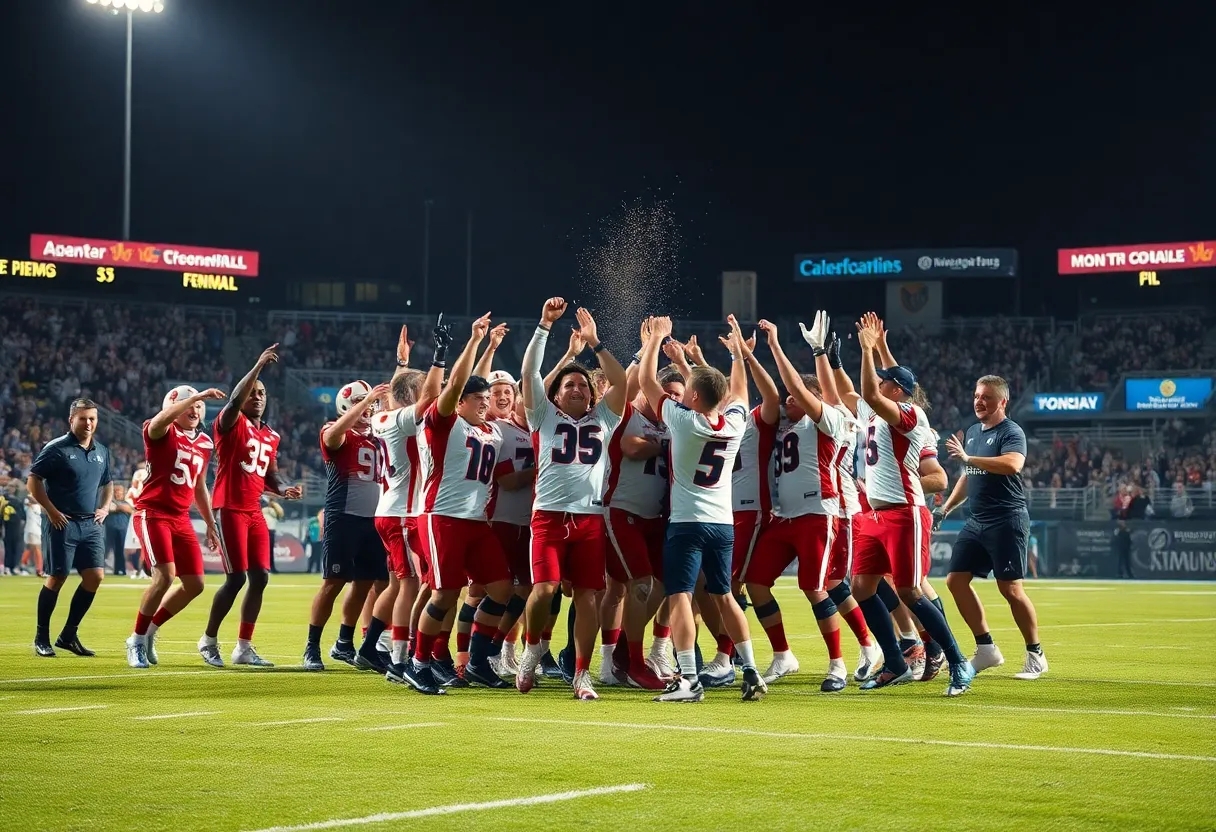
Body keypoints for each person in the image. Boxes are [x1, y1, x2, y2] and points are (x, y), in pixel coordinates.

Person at [844, 313, 974, 696]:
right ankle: (897, 663)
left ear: (897, 392)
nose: (880, 381)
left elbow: (871, 391)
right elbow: (856, 390)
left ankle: (957, 660)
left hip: (904, 512)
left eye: (887, 381)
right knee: (862, 586)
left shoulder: (910, 415)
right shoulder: (878, 408)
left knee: (910, 591)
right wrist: (830, 355)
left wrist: (868, 349)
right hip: (875, 514)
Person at [744, 314, 875, 692]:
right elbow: (777, 393)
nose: (789, 397)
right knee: (756, 581)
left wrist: (777, 346)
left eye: (798, 392)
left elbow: (809, 394)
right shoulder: (786, 424)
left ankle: (838, 664)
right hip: (785, 516)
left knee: (819, 585)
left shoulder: (829, 419)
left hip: (821, 512)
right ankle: (784, 653)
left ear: (814, 397)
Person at [643, 314, 766, 703]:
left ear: (693, 397)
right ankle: (750, 670)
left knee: (680, 596)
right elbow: (739, 394)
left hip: (687, 522)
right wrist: (738, 355)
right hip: (722, 524)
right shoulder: (732, 423)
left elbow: (648, 383)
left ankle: (689, 680)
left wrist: (655, 340)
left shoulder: (683, 421)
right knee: (724, 595)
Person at [516, 299, 628, 700]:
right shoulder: (543, 417)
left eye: (582, 384)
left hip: (590, 519)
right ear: (556, 396)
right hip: (548, 516)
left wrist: (596, 344)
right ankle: (531, 651)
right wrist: (544, 326)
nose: (577, 388)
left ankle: (581, 673)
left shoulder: (604, 418)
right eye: (569, 385)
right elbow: (529, 372)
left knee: (588, 596)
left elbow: (622, 383)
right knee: (544, 590)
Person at [404, 313, 517, 694]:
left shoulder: (491, 431)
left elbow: (477, 385)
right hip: (443, 517)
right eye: (479, 399)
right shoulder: (445, 420)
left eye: (488, 399)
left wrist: (490, 349)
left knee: (502, 588)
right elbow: (455, 386)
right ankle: (417, 663)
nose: (486, 404)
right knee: (444, 594)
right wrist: (471, 343)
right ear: (461, 401)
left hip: (476, 521)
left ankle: (480, 660)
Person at [937, 374, 1047, 681]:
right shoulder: (973, 431)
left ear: (1002, 402)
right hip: (977, 519)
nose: (978, 401)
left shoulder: (1012, 432)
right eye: (976, 396)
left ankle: (1035, 654)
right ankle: (986, 648)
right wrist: (945, 509)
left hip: (1007, 518)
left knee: (1010, 589)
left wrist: (969, 456)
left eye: (985, 397)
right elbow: (969, 475)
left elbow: (1013, 464)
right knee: (955, 580)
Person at [199, 344, 302, 669]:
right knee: (235, 578)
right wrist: (257, 365)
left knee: (260, 578)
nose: (257, 396)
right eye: (252, 392)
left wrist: (285, 489)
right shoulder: (229, 422)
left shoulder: (270, 435)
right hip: (228, 507)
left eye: (262, 393)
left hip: (254, 511)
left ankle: (243, 646)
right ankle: (209, 640)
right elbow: (232, 401)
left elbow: (271, 476)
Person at [600, 345, 685, 690]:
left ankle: (623, 652)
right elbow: (631, 447)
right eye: (666, 394)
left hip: (655, 516)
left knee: (663, 583)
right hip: (621, 510)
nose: (671, 402)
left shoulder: (671, 424)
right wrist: (647, 346)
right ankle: (629, 661)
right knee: (633, 586)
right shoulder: (624, 412)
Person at [126, 386, 225, 668]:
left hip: (180, 517)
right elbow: (157, 422)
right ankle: (135, 639)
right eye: (188, 406)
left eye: (198, 407)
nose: (195, 410)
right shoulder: (161, 431)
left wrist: (210, 522)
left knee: (195, 584)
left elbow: (199, 486)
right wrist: (193, 397)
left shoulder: (205, 443)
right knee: (165, 576)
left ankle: (150, 631)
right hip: (153, 512)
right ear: (173, 407)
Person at [302, 377, 391, 671]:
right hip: (343, 517)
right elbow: (334, 435)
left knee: (366, 584)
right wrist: (366, 402)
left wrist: (400, 366)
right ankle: (311, 646)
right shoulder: (335, 430)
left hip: (374, 520)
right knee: (333, 583)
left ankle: (344, 642)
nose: (367, 407)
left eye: (369, 401)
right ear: (345, 406)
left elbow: (392, 406)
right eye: (359, 401)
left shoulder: (379, 434)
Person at [373, 324, 444, 682]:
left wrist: (401, 364)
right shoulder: (403, 417)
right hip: (402, 512)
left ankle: (400, 647)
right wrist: (437, 360)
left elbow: (396, 395)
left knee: (422, 582)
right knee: (409, 585)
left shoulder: (382, 417)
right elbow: (425, 400)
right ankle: (398, 659)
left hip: (398, 509)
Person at [27, 398, 114, 658]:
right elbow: (33, 481)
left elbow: (107, 483)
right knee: (58, 578)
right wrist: (51, 511)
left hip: (91, 523)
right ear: (71, 420)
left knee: (95, 577)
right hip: (62, 522)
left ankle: (68, 635)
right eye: (83, 418)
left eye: (92, 419)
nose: (88, 423)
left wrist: (106, 507)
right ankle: (41, 637)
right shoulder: (56, 448)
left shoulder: (101, 451)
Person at [104, 486, 131, 576]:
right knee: (107, 550)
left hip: (123, 529)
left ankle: (121, 570)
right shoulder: (108, 503)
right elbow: (109, 509)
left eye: (120, 491)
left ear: (123, 493)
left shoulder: (127, 503)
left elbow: (131, 510)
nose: (118, 493)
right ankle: (102, 569)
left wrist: (120, 508)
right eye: (116, 491)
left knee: (121, 550)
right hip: (110, 529)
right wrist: (118, 508)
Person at [23, 495, 43, 577]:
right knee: (37, 548)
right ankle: (39, 569)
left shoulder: (39, 506)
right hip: (32, 529)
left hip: (36, 530)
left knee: (30, 548)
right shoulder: (29, 503)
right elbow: (28, 499)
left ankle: (23, 565)